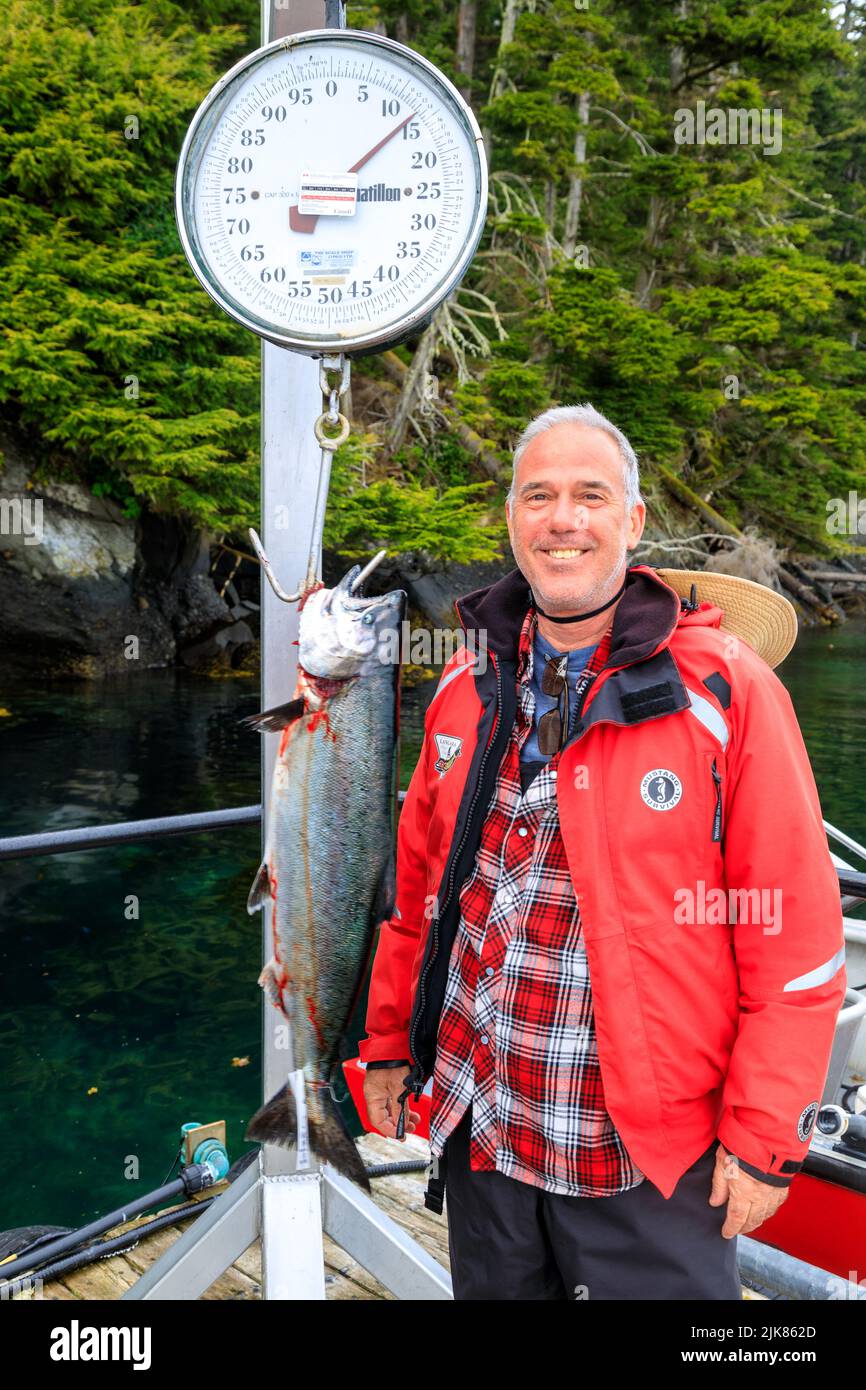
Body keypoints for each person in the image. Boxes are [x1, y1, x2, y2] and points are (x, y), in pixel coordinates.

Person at [360, 403, 847, 1301]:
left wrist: (766, 1134)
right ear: (512, 517)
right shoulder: (465, 687)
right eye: (538, 494)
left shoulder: (727, 693)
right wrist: (389, 1041)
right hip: (486, 1131)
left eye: (591, 495)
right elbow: (420, 897)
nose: (563, 518)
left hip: (649, 1158)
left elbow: (794, 936)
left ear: (631, 521)